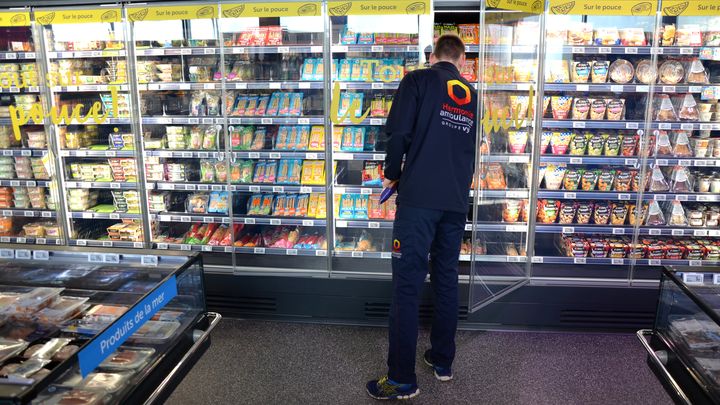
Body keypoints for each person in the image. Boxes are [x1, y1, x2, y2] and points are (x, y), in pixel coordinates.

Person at [366, 34, 478, 400]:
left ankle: (401, 378)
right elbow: (469, 153)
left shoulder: (416, 80)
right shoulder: (471, 96)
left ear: (433, 56)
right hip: (456, 201)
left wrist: (391, 171)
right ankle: (442, 360)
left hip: (418, 201)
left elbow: (399, 132)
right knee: (446, 277)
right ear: (461, 60)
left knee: (407, 285)